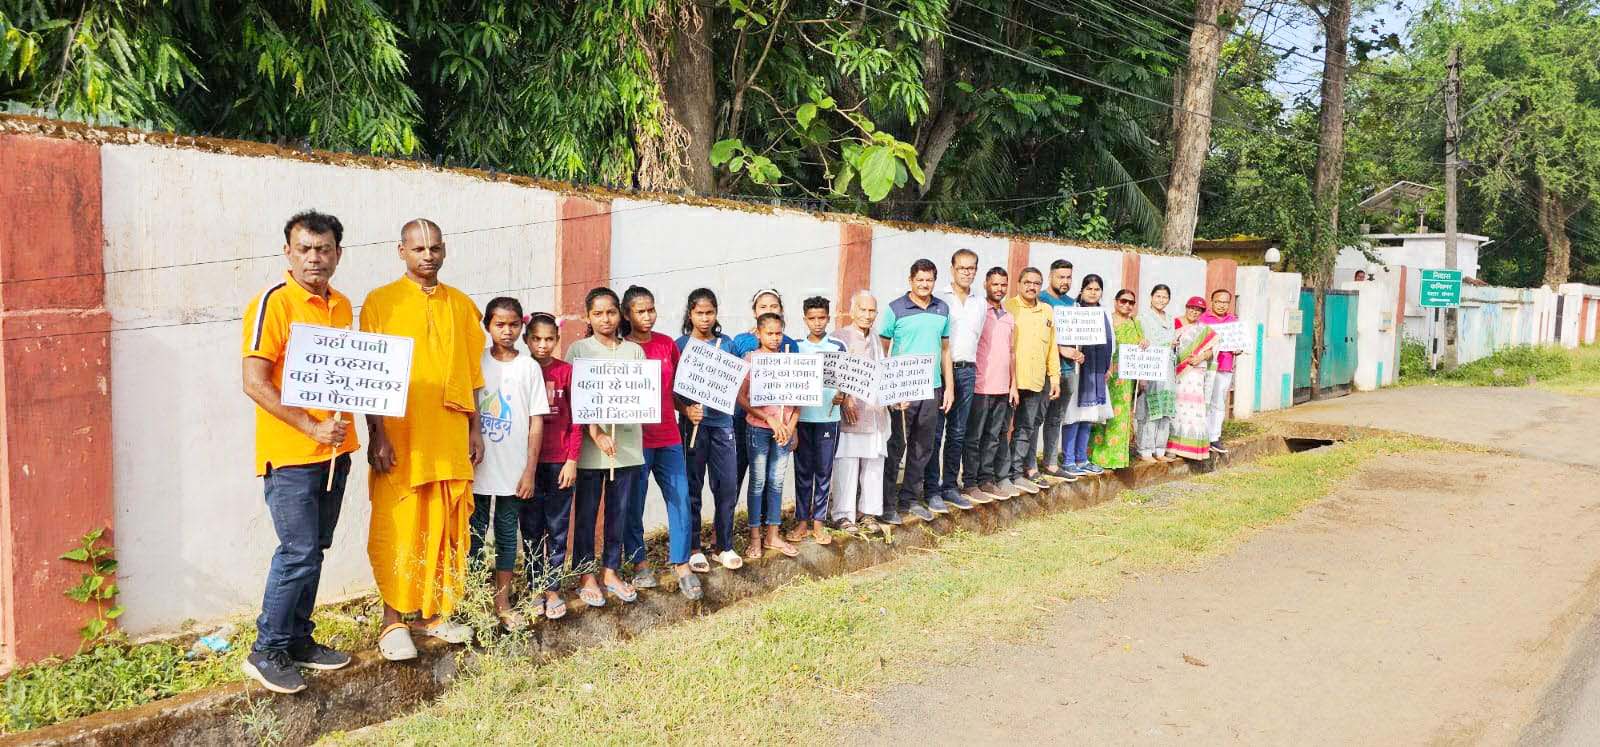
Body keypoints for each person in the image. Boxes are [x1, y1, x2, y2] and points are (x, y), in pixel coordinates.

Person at [239, 210, 359, 693]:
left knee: (317, 550)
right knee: (298, 552)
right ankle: (266, 649)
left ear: (337, 254)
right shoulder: (274, 302)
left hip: (335, 452)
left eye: (324, 249)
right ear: (287, 251)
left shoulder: (342, 304)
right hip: (290, 455)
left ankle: (299, 640)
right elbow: (253, 382)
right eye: (305, 248)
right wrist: (310, 425)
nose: (315, 257)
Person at [361, 218, 484, 661]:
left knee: (446, 524)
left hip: (449, 431)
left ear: (445, 249)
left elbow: (473, 375)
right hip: (401, 434)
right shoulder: (380, 303)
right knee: (400, 524)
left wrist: (475, 428)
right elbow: (368, 375)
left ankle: (435, 612)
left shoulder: (462, 305)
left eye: (434, 247)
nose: (427, 255)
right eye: (418, 249)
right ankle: (394, 618)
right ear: (401, 252)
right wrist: (376, 433)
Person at [469, 297, 549, 631]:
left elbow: (536, 421)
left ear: (522, 327)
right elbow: (468, 407)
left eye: (514, 324)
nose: (507, 331)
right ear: (487, 325)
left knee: (505, 535)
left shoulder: (528, 367)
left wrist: (529, 470)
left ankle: (501, 602)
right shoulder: (475, 363)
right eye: (500, 324)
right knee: (472, 537)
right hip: (476, 466)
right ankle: (472, 602)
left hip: (513, 471)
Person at [618, 286, 701, 601]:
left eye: (651, 309)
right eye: (641, 311)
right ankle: (639, 562)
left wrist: (687, 409)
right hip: (635, 441)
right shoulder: (622, 348)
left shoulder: (667, 345)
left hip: (668, 437)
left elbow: (676, 390)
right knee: (634, 503)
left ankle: (681, 564)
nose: (648, 316)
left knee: (680, 497)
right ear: (628, 314)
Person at [568, 287, 645, 608]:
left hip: (625, 447)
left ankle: (611, 570)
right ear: (588, 317)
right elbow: (577, 399)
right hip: (589, 450)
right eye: (598, 314)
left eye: (611, 312)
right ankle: (586, 574)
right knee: (586, 513)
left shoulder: (634, 353)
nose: (605, 319)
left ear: (620, 314)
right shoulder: (578, 350)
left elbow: (641, 395)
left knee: (619, 512)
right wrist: (597, 433)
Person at [879, 259, 956, 524]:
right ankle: (887, 504)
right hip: (903, 390)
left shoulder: (942, 308)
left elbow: (945, 350)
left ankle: (910, 499)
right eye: (920, 279)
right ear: (910, 280)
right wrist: (890, 390)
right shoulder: (894, 309)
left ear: (935, 281)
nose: (924, 284)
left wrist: (949, 387)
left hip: (932, 388)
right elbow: (883, 350)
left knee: (923, 448)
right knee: (896, 446)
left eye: (929, 280)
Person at [675, 289, 743, 570]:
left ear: (716, 313)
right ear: (690, 314)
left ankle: (723, 545)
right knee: (693, 485)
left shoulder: (726, 345)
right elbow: (672, 389)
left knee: (727, 485)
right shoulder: (679, 345)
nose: (704, 318)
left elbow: (735, 381)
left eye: (709, 313)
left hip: (722, 424)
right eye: (699, 313)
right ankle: (694, 547)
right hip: (694, 426)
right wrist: (686, 409)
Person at [523, 312, 579, 620]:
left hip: (560, 462)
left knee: (557, 528)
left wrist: (572, 460)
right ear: (526, 339)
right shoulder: (521, 370)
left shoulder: (566, 372)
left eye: (549, 339)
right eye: (536, 339)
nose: (542, 345)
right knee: (531, 528)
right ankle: (533, 587)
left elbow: (577, 420)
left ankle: (552, 587)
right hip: (528, 465)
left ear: (557, 340)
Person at [738, 313, 800, 559]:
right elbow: (741, 397)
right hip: (758, 428)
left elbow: (799, 401)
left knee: (776, 482)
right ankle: (755, 537)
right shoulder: (751, 360)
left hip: (784, 432)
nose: (774, 338)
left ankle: (773, 534)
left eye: (778, 333)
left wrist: (791, 426)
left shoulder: (790, 361)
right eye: (769, 333)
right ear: (759, 334)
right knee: (758, 482)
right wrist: (768, 418)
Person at [928, 249, 985, 511]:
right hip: (939, 372)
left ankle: (950, 485)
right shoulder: (938, 298)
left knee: (958, 432)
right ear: (952, 269)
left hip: (967, 370)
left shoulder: (979, 302)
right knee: (935, 432)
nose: (966, 272)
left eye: (971, 268)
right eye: (962, 268)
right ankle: (931, 489)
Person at [730, 290, 799, 494]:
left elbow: (797, 389)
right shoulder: (741, 341)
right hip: (744, 418)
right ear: (754, 311)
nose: (768, 310)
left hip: (778, 423)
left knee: (772, 476)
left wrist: (793, 428)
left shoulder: (789, 344)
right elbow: (734, 380)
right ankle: (727, 521)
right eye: (763, 306)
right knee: (739, 470)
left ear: (781, 311)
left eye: (773, 306)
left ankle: (766, 521)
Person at [831, 291, 888, 535]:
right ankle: (843, 516)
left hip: (875, 412)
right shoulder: (839, 337)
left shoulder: (876, 338)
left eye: (872, 311)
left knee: (874, 465)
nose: (867, 315)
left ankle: (869, 513)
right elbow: (832, 373)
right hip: (851, 412)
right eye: (862, 310)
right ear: (852, 311)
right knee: (847, 464)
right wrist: (845, 399)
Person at [791, 296, 846, 545]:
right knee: (803, 471)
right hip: (802, 418)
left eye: (821, 317)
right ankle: (802, 521)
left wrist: (842, 396)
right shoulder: (796, 347)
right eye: (812, 318)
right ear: (804, 319)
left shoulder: (838, 347)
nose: (817, 323)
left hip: (828, 418)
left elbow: (846, 381)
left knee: (824, 471)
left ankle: (819, 523)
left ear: (828, 317)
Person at [1001, 267, 1061, 495]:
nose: (1031, 287)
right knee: (1002, 429)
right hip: (1009, 382)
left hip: (1036, 381)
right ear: (1018, 283)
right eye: (1027, 282)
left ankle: (1016, 472)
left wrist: (1054, 378)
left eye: (1036, 283)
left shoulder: (1047, 311)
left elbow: (1051, 348)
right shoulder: (1008, 308)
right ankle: (1000, 474)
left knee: (1026, 428)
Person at [960, 267, 1013, 504]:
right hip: (981, 385)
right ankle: (970, 482)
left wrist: (1013, 384)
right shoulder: (979, 311)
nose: (999, 289)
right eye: (995, 284)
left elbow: (1012, 352)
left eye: (1003, 284)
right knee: (974, 437)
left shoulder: (1009, 316)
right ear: (985, 285)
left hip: (1002, 387)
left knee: (993, 436)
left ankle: (986, 479)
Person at [1060, 274, 1114, 476]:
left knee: (1089, 417)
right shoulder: (1074, 311)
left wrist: (1108, 367)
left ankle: (1082, 459)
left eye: (1097, 289)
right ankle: (1068, 460)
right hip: (1077, 371)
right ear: (1082, 290)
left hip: (1096, 373)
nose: (1093, 292)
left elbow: (1111, 341)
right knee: (1073, 416)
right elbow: (1065, 337)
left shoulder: (1104, 313)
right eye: (1089, 288)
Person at [1038, 259, 1084, 479]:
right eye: (1061, 277)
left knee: (1056, 419)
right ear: (1051, 276)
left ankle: (1050, 462)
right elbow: (1038, 335)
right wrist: (1060, 349)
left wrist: (1077, 351)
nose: (1065, 281)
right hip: (1046, 370)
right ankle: (1026, 465)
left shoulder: (1072, 303)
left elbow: (1078, 334)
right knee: (1035, 418)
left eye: (1068, 277)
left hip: (1068, 370)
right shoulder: (1042, 300)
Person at [1088, 289, 1143, 470]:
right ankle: (1095, 456)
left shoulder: (1136, 324)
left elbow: (1142, 347)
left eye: (1131, 303)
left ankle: (1116, 458)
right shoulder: (1107, 320)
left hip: (1126, 379)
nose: (1127, 305)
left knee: (1120, 417)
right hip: (1106, 373)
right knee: (1100, 415)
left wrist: (1145, 344)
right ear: (1115, 302)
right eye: (1123, 301)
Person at [1168, 297, 1219, 460]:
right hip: (1175, 373)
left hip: (1195, 373)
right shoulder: (1174, 323)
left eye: (1198, 310)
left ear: (1202, 313)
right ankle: (1172, 446)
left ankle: (1190, 448)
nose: (1194, 312)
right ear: (1186, 307)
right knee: (1175, 408)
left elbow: (1212, 350)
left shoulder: (1203, 330)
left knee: (1193, 409)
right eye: (1191, 308)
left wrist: (1201, 357)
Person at [1135, 284, 1179, 463]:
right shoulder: (1142, 318)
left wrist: (1174, 346)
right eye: (1158, 296)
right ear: (1151, 297)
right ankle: (1144, 449)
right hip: (1151, 367)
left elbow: (1173, 344)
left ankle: (1159, 448)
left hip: (1168, 368)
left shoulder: (1170, 319)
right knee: (1149, 408)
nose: (1161, 300)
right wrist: (1142, 376)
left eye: (1165, 297)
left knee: (1165, 409)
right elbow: (1141, 344)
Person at [1200, 289, 1244, 454]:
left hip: (1224, 366)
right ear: (1212, 302)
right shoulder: (1203, 320)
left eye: (1225, 302)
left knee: (1218, 403)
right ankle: (1201, 437)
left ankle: (1214, 438)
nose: (1221, 305)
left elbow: (1240, 344)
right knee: (1203, 401)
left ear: (1229, 304)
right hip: (1205, 366)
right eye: (1218, 301)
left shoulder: (1234, 321)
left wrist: (1239, 348)